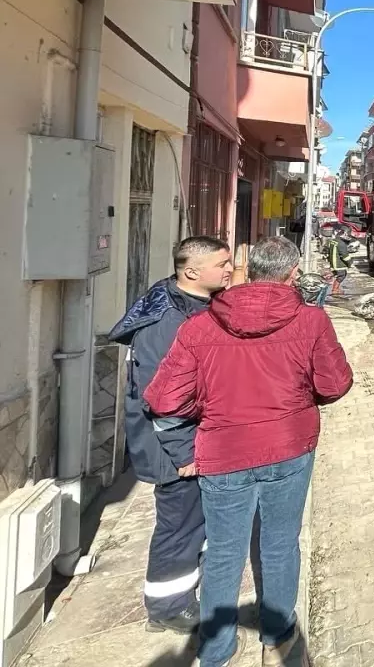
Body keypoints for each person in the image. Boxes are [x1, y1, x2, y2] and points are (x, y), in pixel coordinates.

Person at [145, 236, 353, 667]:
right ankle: (277, 638)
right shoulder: (311, 321)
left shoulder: (200, 325)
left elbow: (164, 398)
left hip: (222, 454)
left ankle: (216, 650)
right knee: (279, 544)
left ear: (247, 271)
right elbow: (334, 385)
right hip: (288, 449)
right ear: (293, 273)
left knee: (223, 550)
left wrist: (206, 409)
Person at [107, 236, 233, 635]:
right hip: (173, 445)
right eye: (222, 264)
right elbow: (163, 397)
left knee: (190, 523)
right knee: (179, 524)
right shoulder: (168, 322)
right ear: (192, 271)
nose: (230, 269)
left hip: (186, 439)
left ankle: (175, 597)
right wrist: (183, 453)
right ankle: (168, 608)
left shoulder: (185, 302)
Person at [326, 229, 351, 294]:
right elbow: (345, 256)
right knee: (341, 275)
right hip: (338, 263)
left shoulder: (333, 241)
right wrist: (349, 264)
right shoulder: (341, 244)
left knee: (338, 274)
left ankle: (336, 288)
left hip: (333, 262)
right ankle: (335, 289)